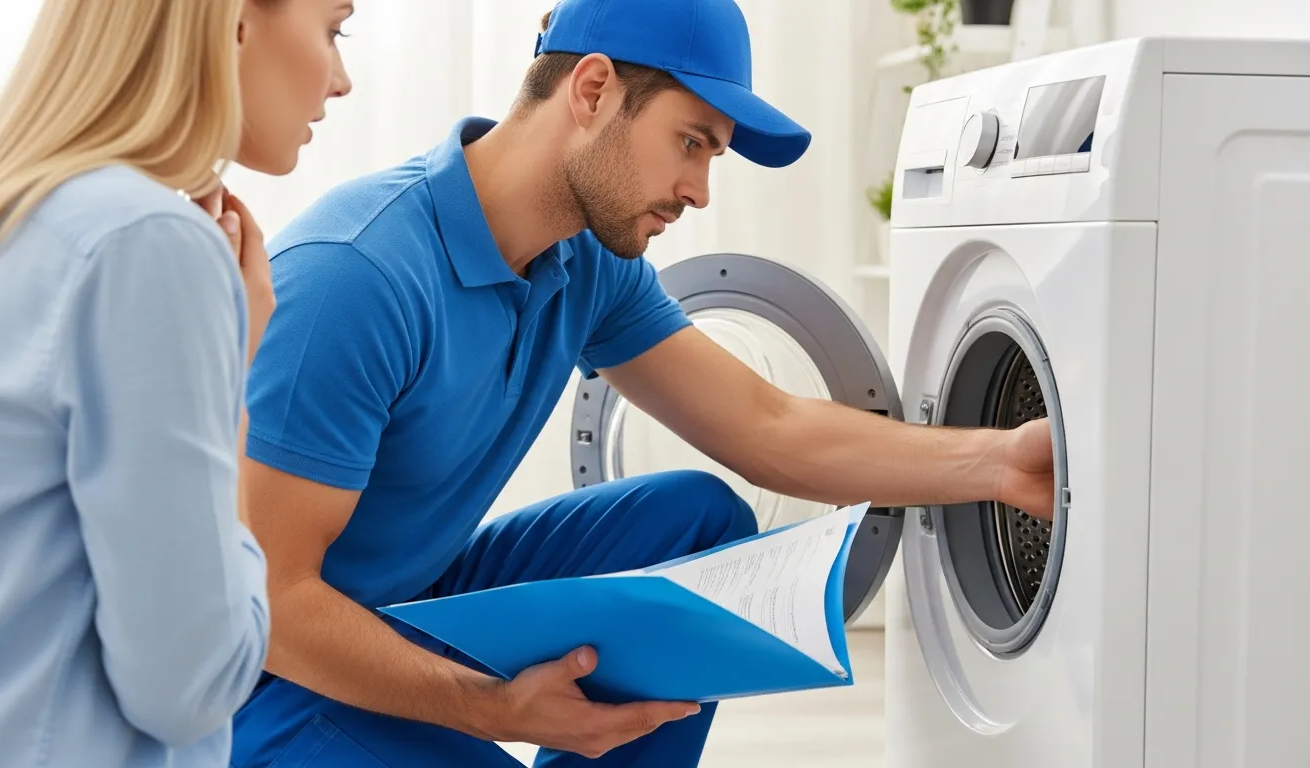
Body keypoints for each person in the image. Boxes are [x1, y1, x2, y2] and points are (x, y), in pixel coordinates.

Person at [230, 0, 1055, 765]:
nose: (698, 189)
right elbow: (269, 598)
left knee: (694, 521)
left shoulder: (584, 259)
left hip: (409, 602)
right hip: (268, 678)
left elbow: (765, 423)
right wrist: (492, 709)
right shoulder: (358, 278)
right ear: (592, 89)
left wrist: (998, 464)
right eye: (691, 142)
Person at [0, 0, 353, 765]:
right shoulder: (149, 245)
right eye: (334, 28)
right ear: (237, 21)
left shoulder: (0, 222)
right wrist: (235, 384)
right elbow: (191, 686)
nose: (342, 80)